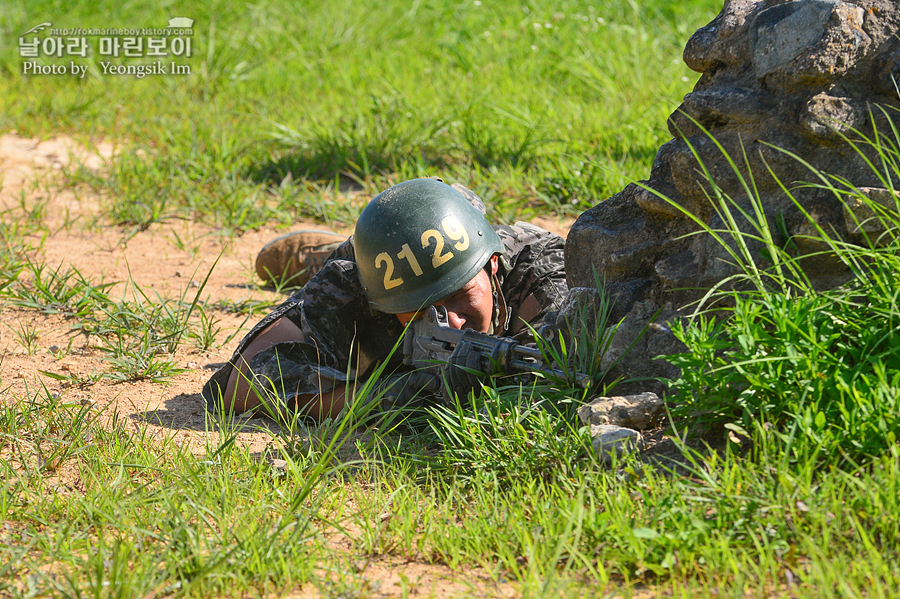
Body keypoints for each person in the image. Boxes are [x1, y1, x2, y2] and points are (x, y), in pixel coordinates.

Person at [201, 177, 568, 419]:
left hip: (457, 234)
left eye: (459, 294)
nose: (452, 321)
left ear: (491, 265)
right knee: (351, 267)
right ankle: (335, 250)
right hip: (372, 267)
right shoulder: (365, 286)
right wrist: (400, 394)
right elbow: (243, 385)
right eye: (422, 308)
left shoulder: (543, 274)